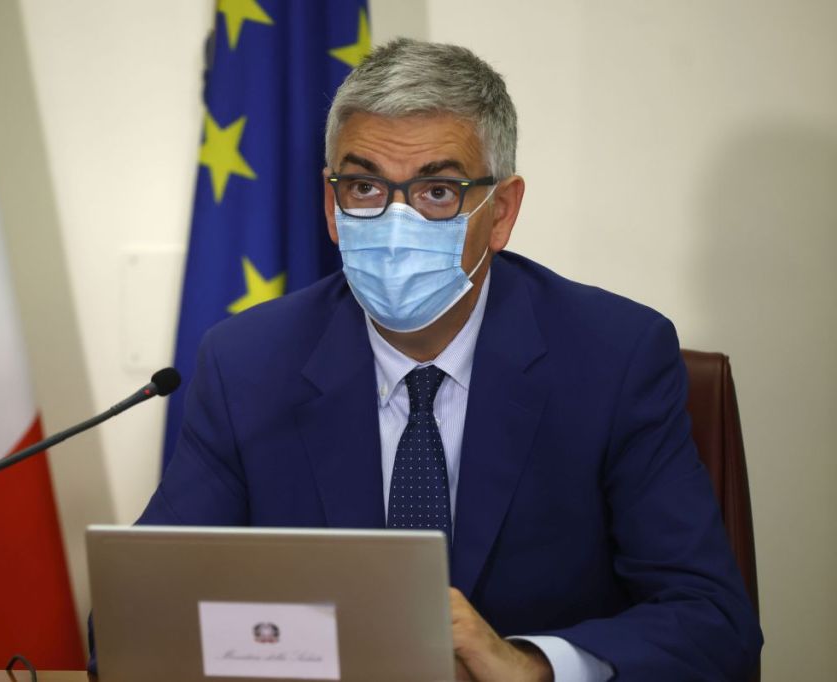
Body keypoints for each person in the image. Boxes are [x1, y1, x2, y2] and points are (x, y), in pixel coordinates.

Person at [130, 38, 763, 680]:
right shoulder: (248, 364)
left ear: (501, 212)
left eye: (437, 191)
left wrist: (531, 666)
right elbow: (139, 617)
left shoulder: (614, 358)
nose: (394, 222)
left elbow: (713, 622)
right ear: (331, 205)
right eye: (365, 186)